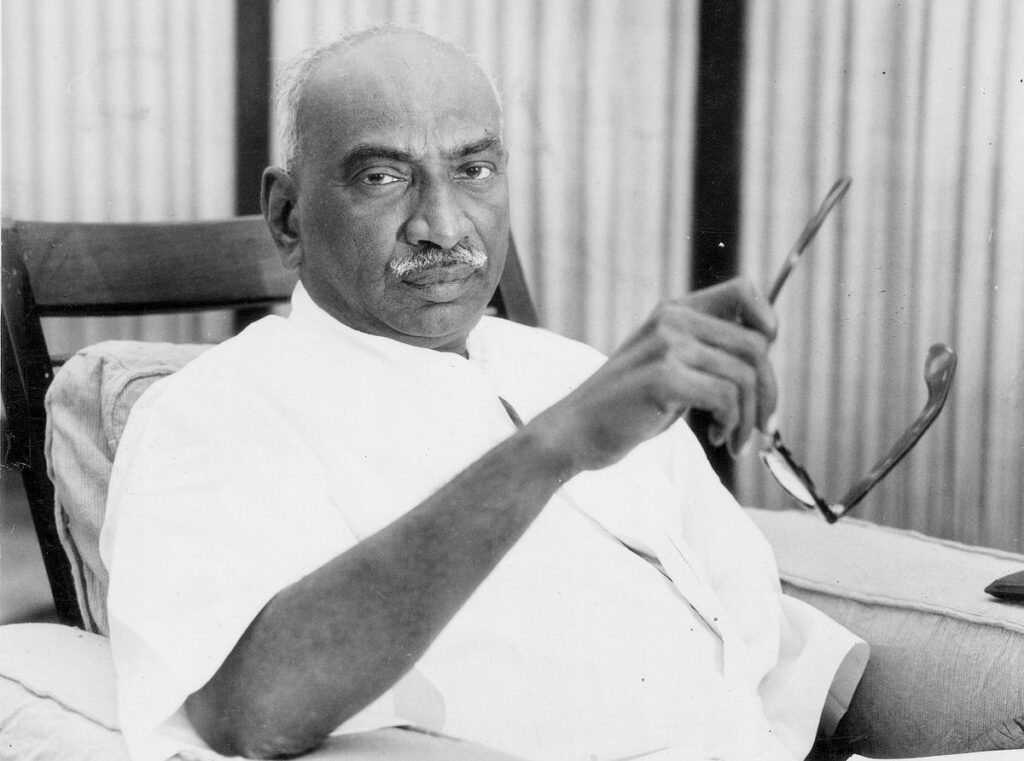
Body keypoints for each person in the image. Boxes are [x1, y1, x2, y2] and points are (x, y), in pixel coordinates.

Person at [101, 26, 866, 761]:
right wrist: (554, 446)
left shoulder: (572, 371)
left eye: (473, 171)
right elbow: (250, 709)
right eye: (382, 177)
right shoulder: (216, 411)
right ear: (288, 215)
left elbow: (761, 638)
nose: (442, 226)